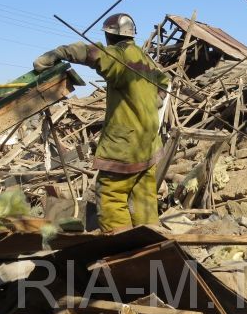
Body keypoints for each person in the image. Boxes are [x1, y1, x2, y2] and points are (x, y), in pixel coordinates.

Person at [33, 13, 170, 232]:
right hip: (148, 143)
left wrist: (58, 53)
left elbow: (93, 54)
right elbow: (164, 80)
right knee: (143, 197)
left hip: (124, 146)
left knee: (111, 195)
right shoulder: (143, 58)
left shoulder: (120, 57)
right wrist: (155, 99)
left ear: (109, 35)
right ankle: (151, 242)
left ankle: (122, 250)